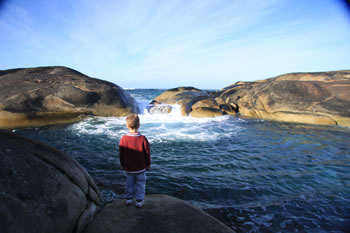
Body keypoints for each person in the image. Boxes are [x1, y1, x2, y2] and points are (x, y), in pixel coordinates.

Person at [119, 114, 151, 208]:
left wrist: (122, 164)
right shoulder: (143, 139)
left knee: (129, 183)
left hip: (129, 168)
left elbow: (121, 154)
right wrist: (148, 164)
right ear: (139, 125)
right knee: (140, 184)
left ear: (127, 126)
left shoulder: (124, 138)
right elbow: (147, 153)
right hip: (141, 167)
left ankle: (128, 199)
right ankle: (139, 201)